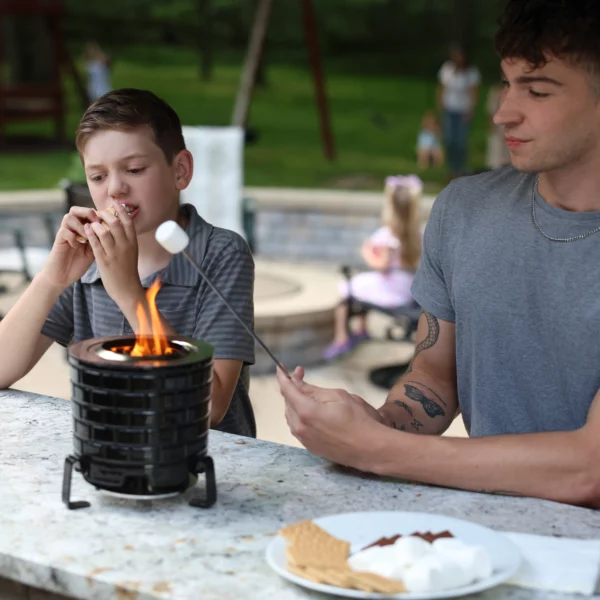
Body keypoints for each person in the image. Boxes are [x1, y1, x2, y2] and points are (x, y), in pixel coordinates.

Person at [277, 0, 600, 508]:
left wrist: (378, 449)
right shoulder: (464, 209)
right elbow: (434, 374)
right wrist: (374, 422)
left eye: (537, 90)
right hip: (486, 530)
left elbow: (590, 469)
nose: (502, 112)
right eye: (507, 82)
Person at [0, 89, 256, 437]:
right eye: (98, 176)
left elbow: (210, 406)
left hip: (209, 466)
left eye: (134, 169)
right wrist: (51, 279)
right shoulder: (86, 260)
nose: (116, 188)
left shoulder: (220, 253)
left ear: (180, 170)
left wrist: (129, 293)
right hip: (112, 456)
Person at [322, 176, 422, 360]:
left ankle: (341, 338)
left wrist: (367, 251)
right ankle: (362, 329)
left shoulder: (388, 235)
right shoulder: (419, 233)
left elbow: (382, 265)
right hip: (407, 289)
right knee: (364, 283)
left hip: (390, 291)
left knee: (347, 289)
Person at [437, 45, 480, 178]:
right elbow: (441, 89)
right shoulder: (447, 69)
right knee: (449, 140)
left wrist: (471, 109)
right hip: (449, 109)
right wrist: (440, 107)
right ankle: (451, 168)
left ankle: (460, 168)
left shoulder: (471, 72)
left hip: (462, 110)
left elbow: (473, 92)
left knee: (460, 141)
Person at [485, 84, 511, 170]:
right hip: (497, 128)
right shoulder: (495, 92)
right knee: (495, 156)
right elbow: (490, 111)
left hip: (508, 127)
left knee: (507, 157)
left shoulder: (513, 93)